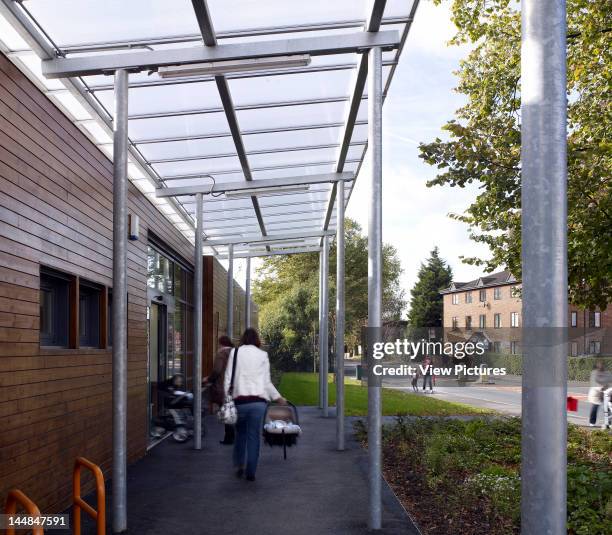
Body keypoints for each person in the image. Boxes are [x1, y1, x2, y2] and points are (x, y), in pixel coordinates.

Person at [224, 328, 286, 481]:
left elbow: (228, 378)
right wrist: (278, 397)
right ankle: (251, 471)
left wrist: (227, 398)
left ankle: (239, 465)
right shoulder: (262, 355)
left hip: (240, 402)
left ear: (243, 338)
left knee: (240, 435)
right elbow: (266, 382)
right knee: (254, 437)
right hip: (258, 404)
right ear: (257, 339)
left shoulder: (235, 353)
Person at [205, 336, 235, 445]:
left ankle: (229, 438)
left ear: (221, 343)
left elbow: (217, 370)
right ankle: (233, 437)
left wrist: (208, 379)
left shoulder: (221, 353)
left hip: (223, 387)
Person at [588, 360, 612, 427]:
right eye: (599, 366)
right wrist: (601, 388)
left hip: (606, 393)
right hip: (596, 394)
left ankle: (609, 423)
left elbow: (610, 381)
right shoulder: (594, 373)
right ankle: (592, 422)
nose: (601, 367)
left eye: (602, 365)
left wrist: (607, 387)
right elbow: (593, 383)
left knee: (608, 408)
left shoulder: (607, 373)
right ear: (597, 367)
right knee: (594, 408)